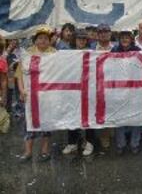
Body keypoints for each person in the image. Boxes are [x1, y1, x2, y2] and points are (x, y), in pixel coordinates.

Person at [16, 26, 56, 162]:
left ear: (50, 40)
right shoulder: (27, 54)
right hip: (29, 96)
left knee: (46, 125)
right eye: (40, 38)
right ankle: (27, 152)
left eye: (46, 38)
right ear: (35, 40)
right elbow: (19, 75)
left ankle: (45, 151)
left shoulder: (55, 54)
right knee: (28, 124)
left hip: (47, 96)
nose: (43, 40)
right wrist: (21, 90)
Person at [62, 29, 95, 156]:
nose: (81, 41)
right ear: (74, 40)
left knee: (89, 117)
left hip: (88, 90)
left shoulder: (92, 53)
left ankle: (89, 143)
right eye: (79, 38)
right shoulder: (67, 54)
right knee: (72, 116)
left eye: (84, 39)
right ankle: (72, 143)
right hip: (73, 90)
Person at [112, 31, 142, 154]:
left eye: (127, 37)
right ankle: (121, 144)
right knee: (120, 117)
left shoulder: (138, 50)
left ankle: (135, 143)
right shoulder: (114, 51)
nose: (124, 40)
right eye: (122, 38)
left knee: (136, 117)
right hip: (119, 88)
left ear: (131, 39)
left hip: (135, 88)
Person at [93, 24, 114, 150]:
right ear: (97, 34)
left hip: (111, 83)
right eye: (100, 32)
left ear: (110, 33)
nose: (103, 34)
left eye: (106, 31)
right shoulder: (91, 48)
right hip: (95, 83)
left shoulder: (116, 47)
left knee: (109, 109)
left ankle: (107, 134)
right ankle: (98, 136)